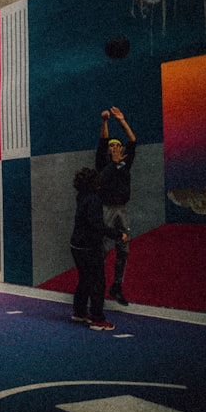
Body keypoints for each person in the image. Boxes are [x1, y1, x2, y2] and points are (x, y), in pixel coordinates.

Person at [70, 166, 129, 331]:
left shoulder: (81, 196)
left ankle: (79, 312)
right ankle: (97, 319)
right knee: (98, 283)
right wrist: (118, 235)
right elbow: (97, 225)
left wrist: (112, 164)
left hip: (76, 245)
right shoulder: (94, 200)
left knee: (84, 280)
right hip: (89, 247)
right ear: (94, 183)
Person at [96, 106, 137, 306]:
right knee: (102, 249)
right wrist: (105, 122)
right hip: (106, 209)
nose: (114, 147)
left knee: (124, 249)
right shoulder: (102, 164)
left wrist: (122, 120)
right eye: (111, 146)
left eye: (117, 146)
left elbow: (133, 141)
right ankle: (96, 286)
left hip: (122, 210)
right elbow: (103, 140)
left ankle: (117, 286)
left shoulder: (125, 163)